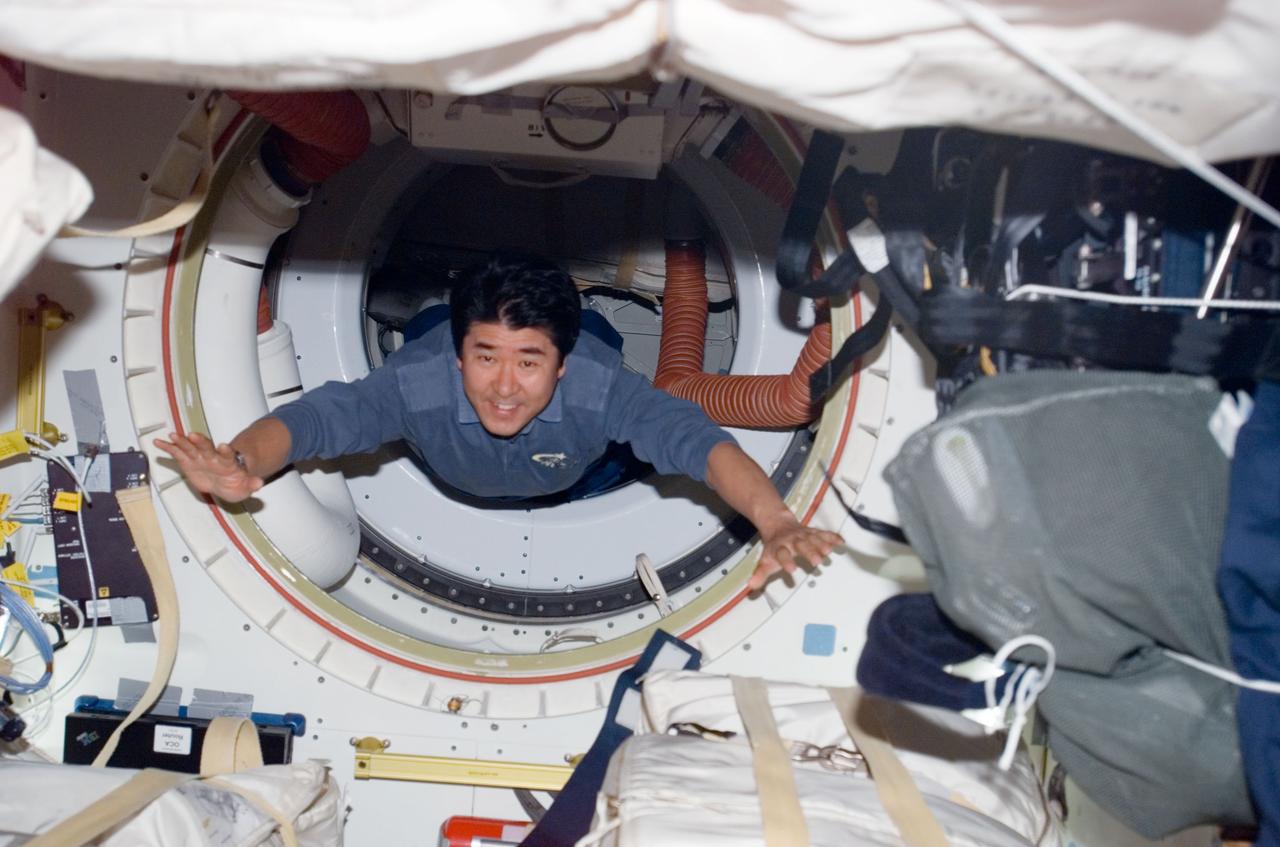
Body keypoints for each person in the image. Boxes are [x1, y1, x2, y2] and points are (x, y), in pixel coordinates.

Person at [156, 255, 841, 590]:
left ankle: (575, 315)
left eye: (530, 362)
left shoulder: (599, 387)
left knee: (626, 401)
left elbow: (700, 443)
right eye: (485, 357)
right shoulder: (423, 382)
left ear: (562, 365)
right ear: (460, 358)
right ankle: (432, 306)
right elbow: (320, 419)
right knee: (424, 324)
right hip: (441, 415)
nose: (506, 387)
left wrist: (776, 521)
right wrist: (242, 462)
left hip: (584, 473)